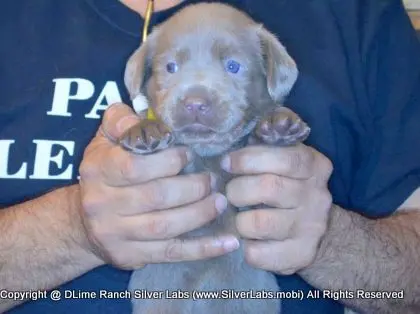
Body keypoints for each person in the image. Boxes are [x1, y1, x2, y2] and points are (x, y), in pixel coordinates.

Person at [1, 0, 420, 313]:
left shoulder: (355, 13)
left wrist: (333, 242)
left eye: (233, 67)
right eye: (169, 68)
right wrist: (72, 229)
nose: (197, 98)